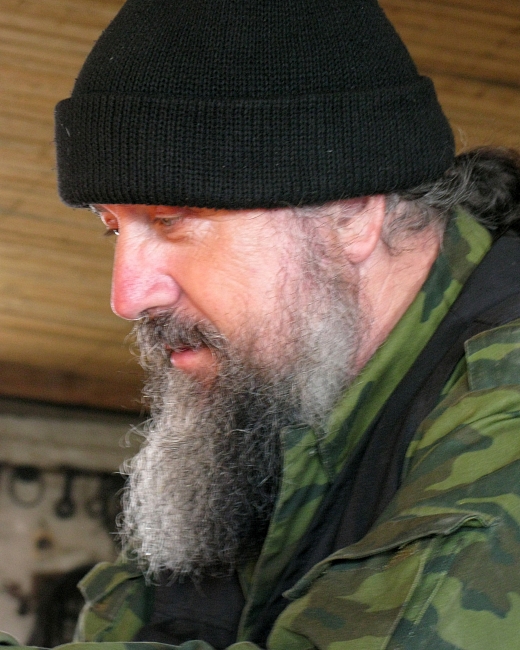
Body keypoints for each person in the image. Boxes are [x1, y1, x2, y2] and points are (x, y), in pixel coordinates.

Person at [3, 0, 520, 648]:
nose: (128, 296)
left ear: (352, 213)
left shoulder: (505, 403)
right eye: (113, 227)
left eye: (171, 221)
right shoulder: (261, 401)